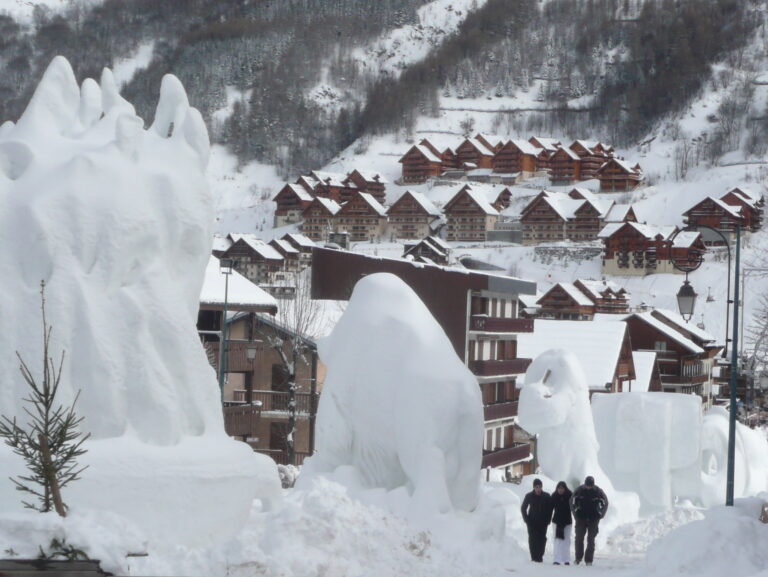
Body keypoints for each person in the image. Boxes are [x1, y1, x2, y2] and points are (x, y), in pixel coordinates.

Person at [570, 475, 609, 566]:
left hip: (594, 519)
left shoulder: (598, 491)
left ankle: (589, 560)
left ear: (593, 485)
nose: (588, 487)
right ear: (585, 484)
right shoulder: (579, 490)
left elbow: (606, 502)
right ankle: (578, 558)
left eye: (590, 486)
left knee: (591, 539)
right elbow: (571, 500)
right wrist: (575, 514)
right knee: (579, 538)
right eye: (587, 485)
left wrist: (601, 514)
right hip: (581, 518)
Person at [520, 478, 552, 562]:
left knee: (542, 539)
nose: (538, 489)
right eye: (536, 487)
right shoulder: (529, 496)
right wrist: (526, 519)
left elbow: (550, 509)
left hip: (543, 522)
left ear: (542, 487)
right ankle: (534, 557)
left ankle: (540, 555)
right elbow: (523, 508)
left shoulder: (546, 496)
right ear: (534, 487)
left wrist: (548, 520)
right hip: (531, 522)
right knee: (532, 539)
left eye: (540, 487)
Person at [550, 481, 573, 565]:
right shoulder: (554, 496)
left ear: (565, 488)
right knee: (557, 540)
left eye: (562, 488)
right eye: (559, 488)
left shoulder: (570, 495)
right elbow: (550, 508)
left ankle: (566, 559)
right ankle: (557, 559)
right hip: (557, 521)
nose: (560, 490)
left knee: (567, 540)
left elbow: (574, 507)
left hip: (567, 521)